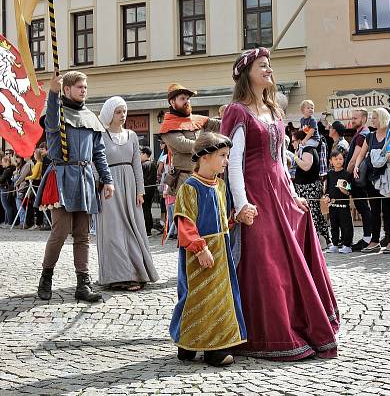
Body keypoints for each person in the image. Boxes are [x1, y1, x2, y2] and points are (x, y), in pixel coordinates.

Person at [221, 47, 338, 361]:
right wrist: (242, 204)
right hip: (256, 191)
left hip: (280, 193)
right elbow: (234, 163)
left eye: (269, 65)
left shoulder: (273, 111)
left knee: (288, 260)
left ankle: (299, 324)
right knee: (264, 261)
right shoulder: (237, 111)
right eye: (262, 65)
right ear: (246, 73)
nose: (269, 69)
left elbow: (281, 161)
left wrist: (292, 191)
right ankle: (263, 334)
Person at [35, 71, 114, 303]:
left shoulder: (91, 117)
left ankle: (83, 284)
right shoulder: (56, 114)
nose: (84, 90)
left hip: (85, 178)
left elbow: (98, 152)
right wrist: (52, 92)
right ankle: (46, 277)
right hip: (62, 176)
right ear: (67, 89)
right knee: (59, 232)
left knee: (82, 235)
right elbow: (50, 116)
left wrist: (107, 179)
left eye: (85, 87)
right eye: (79, 86)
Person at [170, 132, 247, 367]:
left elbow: (223, 219)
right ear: (204, 157)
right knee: (195, 296)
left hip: (220, 252)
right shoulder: (189, 188)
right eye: (222, 156)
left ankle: (214, 348)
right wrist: (200, 248)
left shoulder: (221, 186)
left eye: (227, 156)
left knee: (219, 299)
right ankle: (188, 341)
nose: (226, 161)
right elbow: (185, 223)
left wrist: (240, 216)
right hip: (199, 253)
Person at [96, 96, 159, 291]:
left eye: (124, 111)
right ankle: (118, 276)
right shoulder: (100, 135)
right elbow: (96, 162)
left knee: (134, 229)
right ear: (109, 113)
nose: (123, 115)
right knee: (113, 232)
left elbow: (136, 166)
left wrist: (140, 190)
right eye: (118, 111)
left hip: (130, 187)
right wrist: (103, 182)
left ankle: (137, 272)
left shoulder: (132, 135)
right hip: (109, 187)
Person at [158, 83, 219, 237]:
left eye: (188, 99)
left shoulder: (197, 119)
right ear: (172, 102)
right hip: (185, 179)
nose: (187, 101)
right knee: (190, 221)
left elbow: (220, 125)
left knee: (208, 219)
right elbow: (184, 145)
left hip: (206, 177)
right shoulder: (168, 126)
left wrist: (234, 114)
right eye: (183, 98)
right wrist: (212, 146)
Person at [351, 108, 390, 253]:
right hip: (372, 178)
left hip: (387, 178)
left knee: (389, 210)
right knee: (374, 210)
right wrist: (356, 166)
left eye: (375, 118)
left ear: (383, 119)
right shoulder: (369, 137)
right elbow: (361, 154)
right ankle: (375, 240)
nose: (373, 120)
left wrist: (380, 154)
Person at [290, 130, 329, 247]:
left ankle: (316, 242)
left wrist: (296, 157)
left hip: (309, 187)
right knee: (313, 214)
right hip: (303, 187)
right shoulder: (304, 150)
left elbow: (307, 166)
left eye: (293, 141)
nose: (292, 144)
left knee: (313, 215)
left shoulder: (307, 149)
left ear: (300, 140)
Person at [346, 108, 372, 249]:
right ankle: (368, 237)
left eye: (355, 118)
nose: (353, 120)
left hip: (357, 178)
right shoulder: (359, 134)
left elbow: (354, 159)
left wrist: (344, 177)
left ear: (363, 119)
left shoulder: (362, 135)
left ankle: (367, 238)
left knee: (363, 208)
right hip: (356, 177)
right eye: (353, 117)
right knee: (362, 207)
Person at [323, 149, 352, 254]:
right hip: (332, 205)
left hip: (344, 205)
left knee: (346, 225)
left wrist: (344, 190)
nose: (338, 161)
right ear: (331, 161)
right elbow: (327, 189)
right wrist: (326, 196)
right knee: (334, 225)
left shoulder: (347, 174)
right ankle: (334, 244)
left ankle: (347, 244)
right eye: (336, 159)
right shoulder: (329, 174)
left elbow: (350, 190)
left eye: (340, 159)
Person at [140, 146, 158, 235]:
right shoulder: (153, 164)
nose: (139, 156)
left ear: (145, 154)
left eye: (140, 154)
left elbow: (141, 179)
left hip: (144, 190)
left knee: (144, 210)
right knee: (147, 209)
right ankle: (149, 228)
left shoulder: (143, 165)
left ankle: (146, 229)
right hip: (151, 190)